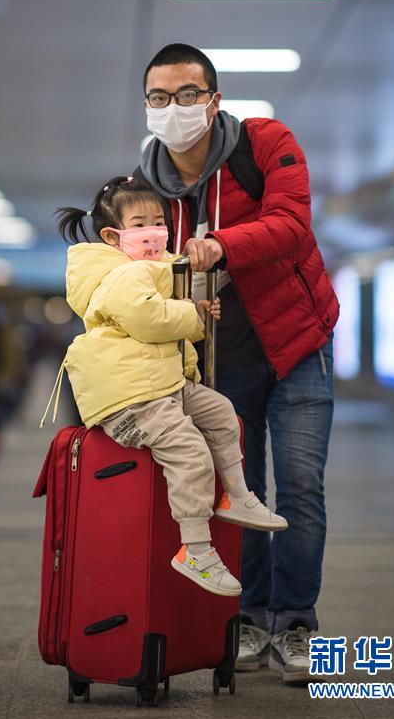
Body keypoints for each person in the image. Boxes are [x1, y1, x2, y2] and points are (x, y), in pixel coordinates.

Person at [135, 43, 339, 683]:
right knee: (239, 488)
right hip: (222, 361)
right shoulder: (148, 186)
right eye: (159, 97)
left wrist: (219, 245)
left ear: (214, 99)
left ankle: (296, 620)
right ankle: (248, 617)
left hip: (298, 344)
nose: (173, 107)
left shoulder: (264, 143)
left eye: (187, 95)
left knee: (300, 484)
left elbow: (291, 223)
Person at [51, 175, 288, 598]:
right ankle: (195, 549)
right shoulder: (122, 274)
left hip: (158, 383)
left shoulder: (157, 270)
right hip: (129, 398)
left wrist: (195, 310)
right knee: (191, 452)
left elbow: (164, 317)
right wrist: (193, 315)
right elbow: (149, 320)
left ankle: (236, 494)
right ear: (112, 236)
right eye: (140, 224)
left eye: (159, 221)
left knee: (220, 413)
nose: (154, 231)